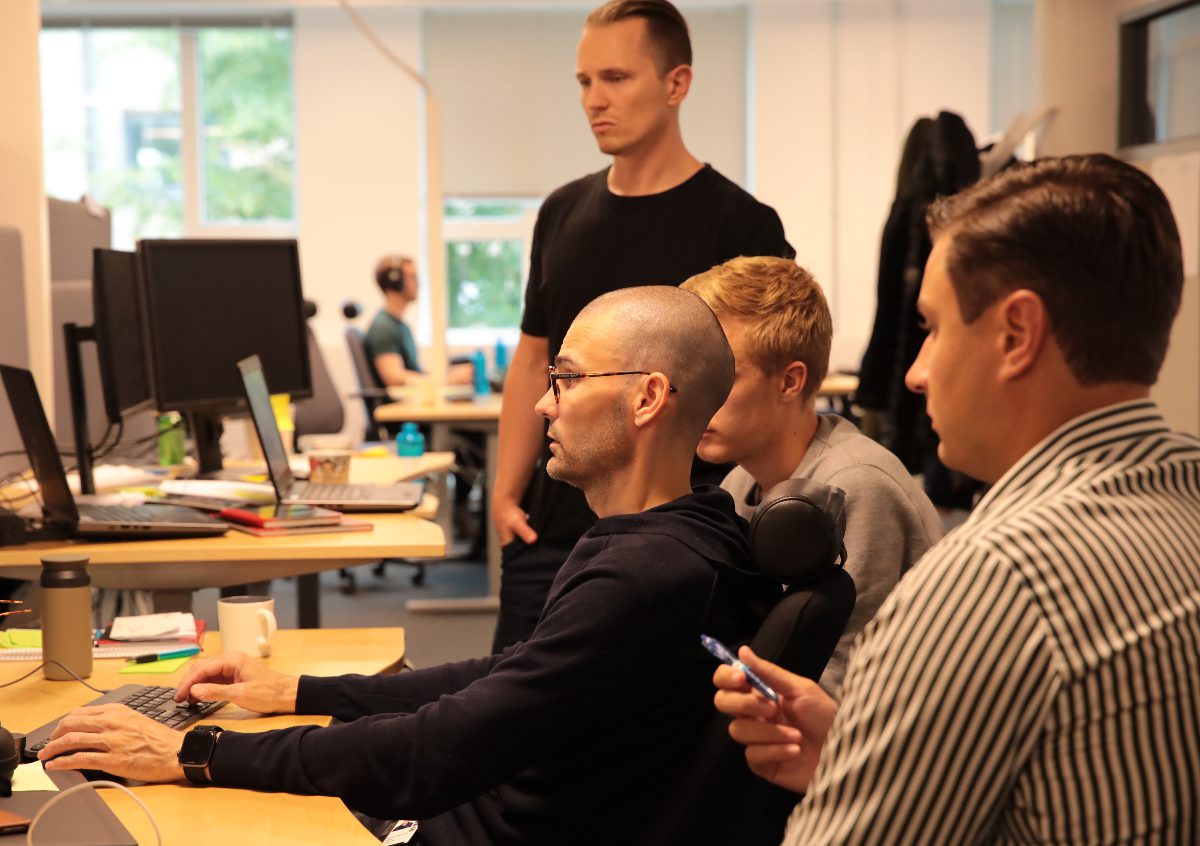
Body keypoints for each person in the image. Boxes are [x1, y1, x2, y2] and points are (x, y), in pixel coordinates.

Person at [40, 287, 780, 846]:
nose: (545, 406)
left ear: (648, 397)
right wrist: (295, 688)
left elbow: (440, 751)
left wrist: (198, 751)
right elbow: (509, 675)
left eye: (569, 379)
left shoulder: (646, 575)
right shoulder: (680, 536)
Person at [713, 154, 1200, 843]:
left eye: (933, 329)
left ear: (1016, 334)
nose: (914, 374)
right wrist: (861, 751)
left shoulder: (992, 581)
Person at [492, 0, 794, 651]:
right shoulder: (562, 213)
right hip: (549, 527)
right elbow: (532, 357)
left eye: (617, 78)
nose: (594, 99)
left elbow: (758, 382)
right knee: (505, 725)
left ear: (676, 84)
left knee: (633, 738)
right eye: (584, 81)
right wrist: (504, 491)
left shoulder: (742, 225)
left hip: (673, 539)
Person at [681, 256, 943, 696]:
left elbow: (846, 681)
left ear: (790, 382)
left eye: (722, 375)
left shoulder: (856, 487)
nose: (695, 396)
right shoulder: (740, 483)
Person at [363, 254, 473, 387]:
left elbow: (415, 372)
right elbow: (394, 377)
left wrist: (447, 377)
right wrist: (443, 382)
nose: (418, 283)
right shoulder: (383, 327)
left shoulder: (400, 325)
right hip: (401, 406)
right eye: (413, 277)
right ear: (395, 282)